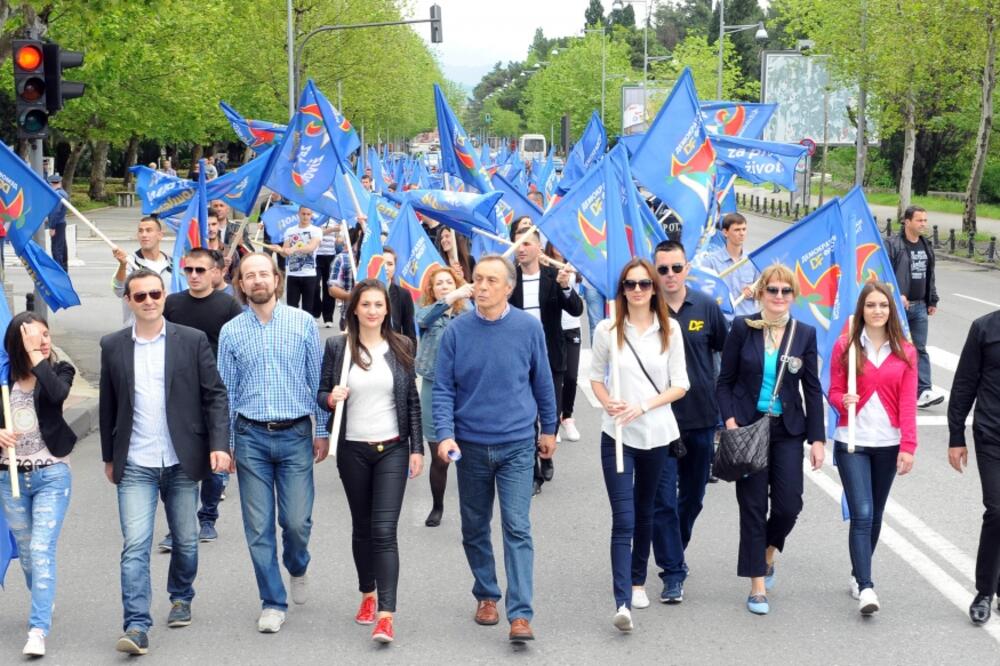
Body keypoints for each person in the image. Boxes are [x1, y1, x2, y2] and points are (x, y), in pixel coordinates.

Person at [99, 269, 231, 656]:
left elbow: (215, 396)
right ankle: (136, 625)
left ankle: (181, 595)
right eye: (139, 296)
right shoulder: (113, 345)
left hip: (180, 458)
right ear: (129, 301)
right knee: (135, 545)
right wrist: (109, 457)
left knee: (186, 540)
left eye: (155, 293)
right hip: (136, 460)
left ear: (164, 296)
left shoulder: (189, 341)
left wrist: (219, 443)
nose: (149, 301)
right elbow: (108, 405)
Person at [433, 255, 557, 644]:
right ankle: (486, 594)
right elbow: (443, 389)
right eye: (477, 280)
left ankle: (520, 614)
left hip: (518, 444)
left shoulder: (527, 327)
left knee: (517, 527)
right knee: (474, 527)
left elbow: (543, 381)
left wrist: (549, 428)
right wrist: (444, 434)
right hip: (469, 446)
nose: (482, 287)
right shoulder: (456, 332)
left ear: (508, 288)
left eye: (491, 281)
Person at [217, 253, 328, 634]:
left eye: (264, 274)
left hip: (296, 434)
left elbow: (317, 382)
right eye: (250, 276)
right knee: (258, 526)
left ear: (277, 280)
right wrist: (226, 443)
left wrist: (322, 430)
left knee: (296, 522)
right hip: (250, 438)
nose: (258, 281)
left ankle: (297, 564)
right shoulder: (231, 332)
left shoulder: (303, 324)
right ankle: (272, 601)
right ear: (241, 284)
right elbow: (225, 393)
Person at [318, 279, 424, 644]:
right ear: (355, 309)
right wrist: (331, 398)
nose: (373, 311)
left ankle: (386, 615)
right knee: (362, 527)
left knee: (383, 531)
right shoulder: (338, 347)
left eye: (379, 305)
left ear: (386, 309)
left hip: (392, 447)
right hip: (352, 449)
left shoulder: (402, 346)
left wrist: (416, 448)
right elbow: (320, 394)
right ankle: (367, 593)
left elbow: (411, 399)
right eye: (366, 305)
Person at [716, 263, 825, 615]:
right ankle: (757, 585)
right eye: (772, 290)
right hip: (748, 427)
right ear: (761, 293)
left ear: (793, 296)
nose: (779, 296)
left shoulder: (803, 334)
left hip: (787, 430)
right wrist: (731, 420)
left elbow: (811, 387)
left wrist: (818, 439)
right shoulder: (741, 327)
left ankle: (767, 552)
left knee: (788, 505)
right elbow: (725, 382)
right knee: (751, 507)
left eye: (786, 291)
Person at [589, 258, 689, 632]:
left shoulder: (671, 330)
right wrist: (606, 401)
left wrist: (643, 405)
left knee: (646, 510)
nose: (637, 290)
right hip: (616, 435)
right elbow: (596, 377)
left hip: (657, 433)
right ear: (622, 289)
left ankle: (638, 579)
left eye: (644, 284)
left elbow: (681, 384)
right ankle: (622, 602)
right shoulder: (607, 329)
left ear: (653, 288)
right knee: (624, 518)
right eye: (630, 284)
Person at [646, 240, 727, 605]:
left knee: (692, 498)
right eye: (662, 269)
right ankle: (673, 571)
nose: (670, 276)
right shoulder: (644, 308)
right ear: (654, 271)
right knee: (662, 500)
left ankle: (675, 546)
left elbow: (729, 355)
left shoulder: (707, 307)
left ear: (687, 268)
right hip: (658, 422)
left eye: (676, 268)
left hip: (700, 419)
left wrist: (729, 410)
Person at [828, 282, 917, 616]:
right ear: (861, 310)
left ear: (891, 310)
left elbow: (908, 402)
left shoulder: (905, 351)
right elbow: (833, 390)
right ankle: (867, 586)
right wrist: (842, 400)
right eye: (870, 305)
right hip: (853, 441)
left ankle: (857, 572)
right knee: (862, 512)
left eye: (883, 305)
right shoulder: (846, 346)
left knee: (876, 514)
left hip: (888, 443)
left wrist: (908, 445)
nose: (877, 311)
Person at [0, 312, 76, 657]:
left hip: (52, 474)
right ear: (16, 342)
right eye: (33, 337)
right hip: (11, 477)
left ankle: (37, 629)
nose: (43, 341)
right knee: (29, 557)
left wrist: (37, 357)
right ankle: (43, 597)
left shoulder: (59, 370)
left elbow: (58, 395)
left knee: (41, 550)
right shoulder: (3, 381)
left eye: (46, 335)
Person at [158, 248, 244, 550]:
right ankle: (178, 527)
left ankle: (207, 517)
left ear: (215, 272)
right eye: (189, 270)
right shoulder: (172, 304)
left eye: (201, 270)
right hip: (177, 393)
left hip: (215, 393)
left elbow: (240, 349)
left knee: (215, 459)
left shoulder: (229, 305)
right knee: (176, 462)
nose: (194, 275)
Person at [509, 227, 582, 494]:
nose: (521, 248)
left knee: (549, 412)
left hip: (550, 355)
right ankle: (532, 471)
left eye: (527, 243)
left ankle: (546, 454)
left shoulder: (553, 276)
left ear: (539, 248)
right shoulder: (509, 280)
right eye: (517, 243)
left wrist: (565, 288)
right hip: (518, 357)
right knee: (525, 415)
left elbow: (576, 309)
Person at [947, 305, 1000, 625]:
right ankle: (985, 591)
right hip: (991, 433)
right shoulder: (985, 329)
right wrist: (956, 436)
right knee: (997, 509)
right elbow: (965, 383)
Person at [415, 266, 472, 527]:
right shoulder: (427, 311)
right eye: (439, 283)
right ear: (432, 289)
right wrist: (448, 299)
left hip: (464, 388)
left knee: (469, 453)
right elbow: (423, 320)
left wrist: (462, 299)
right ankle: (437, 505)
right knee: (440, 454)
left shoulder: (467, 313)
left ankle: (470, 508)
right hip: (433, 386)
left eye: (450, 282)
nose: (445, 286)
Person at [885, 206, 942, 408]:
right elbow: (883, 273)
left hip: (920, 307)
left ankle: (924, 390)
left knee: (919, 349)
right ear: (907, 221)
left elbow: (929, 274)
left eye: (925, 220)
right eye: (919, 220)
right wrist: (895, 294)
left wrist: (932, 299)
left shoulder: (925, 245)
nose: (923, 224)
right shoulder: (893, 244)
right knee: (894, 349)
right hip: (898, 308)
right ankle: (891, 389)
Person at [543, 243, 583, 443]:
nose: (560, 247)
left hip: (573, 327)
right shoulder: (546, 267)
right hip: (554, 330)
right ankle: (553, 423)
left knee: (572, 376)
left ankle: (568, 416)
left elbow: (576, 304)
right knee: (555, 378)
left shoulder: (574, 264)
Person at [111, 217, 173, 325]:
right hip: (137, 330)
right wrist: (122, 265)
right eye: (140, 231)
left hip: (169, 330)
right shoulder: (129, 262)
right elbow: (119, 291)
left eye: (149, 230)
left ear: (160, 235)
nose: (144, 235)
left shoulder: (173, 264)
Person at [700, 213, 761, 322]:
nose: (742, 233)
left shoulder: (752, 260)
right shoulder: (710, 261)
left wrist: (753, 292)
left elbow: (763, 293)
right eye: (737, 230)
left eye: (744, 229)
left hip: (748, 321)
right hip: (722, 322)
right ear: (725, 232)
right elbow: (702, 293)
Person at [278, 206, 322, 314]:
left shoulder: (316, 230)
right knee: (291, 308)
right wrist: (279, 250)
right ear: (298, 214)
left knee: (308, 308)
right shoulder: (290, 231)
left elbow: (310, 248)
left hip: (309, 274)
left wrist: (292, 249)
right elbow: (285, 252)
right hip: (293, 274)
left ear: (312, 215)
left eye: (308, 214)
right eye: (303, 214)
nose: (305, 217)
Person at [382, 247, 417, 344]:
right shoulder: (362, 292)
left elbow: (410, 334)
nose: (385, 268)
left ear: (395, 267)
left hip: (394, 353)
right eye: (382, 262)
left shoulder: (403, 295)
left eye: (389, 264)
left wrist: (405, 357)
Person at [328, 227, 361, 330]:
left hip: (377, 319)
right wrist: (352, 296)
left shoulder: (378, 258)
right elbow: (332, 289)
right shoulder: (342, 258)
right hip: (349, 317)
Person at [315, 217, 340, 327]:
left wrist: (340, 237)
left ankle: (328, 317)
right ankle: (315, 313)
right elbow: (314, 233)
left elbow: (339, 238)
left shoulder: (336, 218)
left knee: (329, 287)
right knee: (314, 285)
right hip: (316, 255)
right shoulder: (316, 217)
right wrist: (330, 230)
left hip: (331, 256)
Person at [45, 173, 70, 272]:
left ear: (52, 184)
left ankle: (60, 271)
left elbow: (55, 212)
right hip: (61, 223)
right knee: (62, 248)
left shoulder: (57, 194)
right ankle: (64, 269)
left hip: (57, 224)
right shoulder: (63, 193)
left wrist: (52, 227)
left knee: (56, 249)